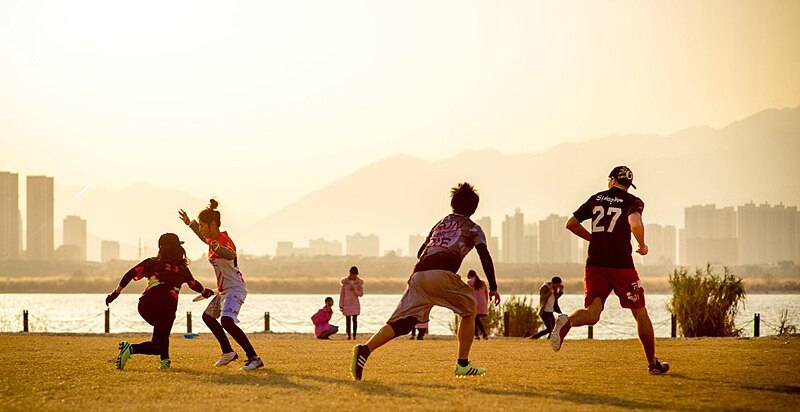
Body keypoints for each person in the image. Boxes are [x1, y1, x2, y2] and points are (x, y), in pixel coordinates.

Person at [350, 182, 501, 381]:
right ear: (474, 208)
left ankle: (365, 350)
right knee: (470, 309)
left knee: (403, 323)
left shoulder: (440, 223)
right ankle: (462, 364)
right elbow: (484, 255)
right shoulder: (474, 228)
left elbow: (420, 252)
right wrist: (493, 287)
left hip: (418, 275)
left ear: (452, 205)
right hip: (441, 274)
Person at [555, 166, 670, 375]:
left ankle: (567, 321)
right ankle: (653, 364)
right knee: (640, 312)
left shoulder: (597, 198)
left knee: (592, 313)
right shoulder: (632, 201)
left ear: (611, 180)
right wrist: (642, 245)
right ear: (628, 184)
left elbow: (571, 224)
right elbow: (635, 224)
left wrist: (594, 238)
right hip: (621, 266)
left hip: (595, 264)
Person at [105, 233, 214, 370]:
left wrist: (115, 293)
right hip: (166, 305)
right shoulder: (182, 269)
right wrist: (205, 292)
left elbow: (130, 274)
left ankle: (165, 361)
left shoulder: (152, 262)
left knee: (162, 333)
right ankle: (130, 348)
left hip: (145, 305)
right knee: (158, 343)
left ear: (160, 248)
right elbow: (194, 284)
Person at [179, 199, 264, 371]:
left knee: (227, 321)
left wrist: (219, 249)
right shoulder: (212, 241)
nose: (202, 229)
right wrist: (191, 224)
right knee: (208, 317)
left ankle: (254, 358)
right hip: (224, 291)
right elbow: (204, 238)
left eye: (203, 225)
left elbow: (230, 253)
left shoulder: (223, 240)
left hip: (236, 289)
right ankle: (228, 352)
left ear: (212, 224)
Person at [339, 266, 364, 340]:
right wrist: (341, 305)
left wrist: (354, 291)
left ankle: (354, 335)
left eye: (355, 274)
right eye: (353, 274)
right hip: (346, 303)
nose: (354, 276)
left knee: (354, 320)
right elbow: (342, 294)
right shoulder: (345, 283)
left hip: (355, 304)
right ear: (350, 273)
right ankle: (348, 335)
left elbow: (361, 294)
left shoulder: (359, 283)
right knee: (348, 320)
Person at [466, 270, 489, 340]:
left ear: (469, 276)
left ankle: (478, 335)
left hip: (475, 303)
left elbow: (468, 293)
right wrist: (486, 303)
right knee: (476, 319)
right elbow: (486, 293)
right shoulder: (482, 283)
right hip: (483, 303)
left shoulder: (469, 282)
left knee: (475, 319)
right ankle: (481, 334)